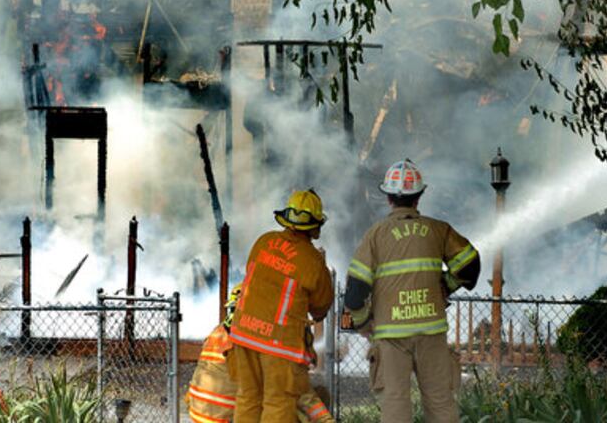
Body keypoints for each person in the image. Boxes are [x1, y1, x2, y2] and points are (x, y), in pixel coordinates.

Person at [344, 159, 480, 423]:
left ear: (388, 199)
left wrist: (362, 322)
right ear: (418, 197)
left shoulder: (375, 235)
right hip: (431, 329)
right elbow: (471, 265)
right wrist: (446, 285)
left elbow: (355, 291)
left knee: (395, 404)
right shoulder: (438, 230)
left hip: (392, 334)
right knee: (440, 401)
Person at [228, 189, 334, 422]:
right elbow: (320, 307)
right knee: (278, 404)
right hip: (280, 344)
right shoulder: (313, 261)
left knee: (247, 398)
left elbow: (254, 276)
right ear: (315, 225)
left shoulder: (264, 241)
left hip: (244, 334)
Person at [186, 285, 333, 423]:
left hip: (198, 415)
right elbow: (300, 391)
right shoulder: (262, 340)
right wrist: (326, 420)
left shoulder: (219, 332)